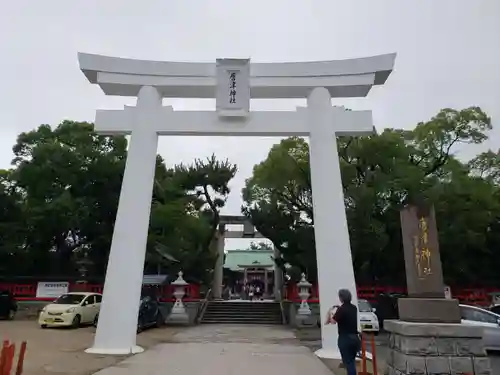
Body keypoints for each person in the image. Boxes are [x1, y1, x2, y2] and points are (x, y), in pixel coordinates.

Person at [325, 289, 360, 375]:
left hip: (345, 338)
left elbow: (332, 322)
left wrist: (330, 312)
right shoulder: (354, 308)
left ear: (341, 298)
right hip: (355, 338)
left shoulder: (341, 309)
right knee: (351, 361)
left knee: (348, 363)